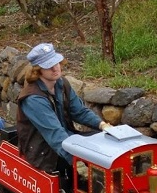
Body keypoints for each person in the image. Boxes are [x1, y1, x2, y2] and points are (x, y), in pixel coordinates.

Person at [17, 43, 110, 174]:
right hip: (43, 150)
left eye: (56, 63)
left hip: (66, 137)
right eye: (49, 66)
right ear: (38, 70)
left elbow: (79, 111)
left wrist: (102, 125)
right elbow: (55, 134)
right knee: (87, 164)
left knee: (103, 144)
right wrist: (78, 163)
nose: (55, 68)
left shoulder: (61, 83)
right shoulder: (33, 99)